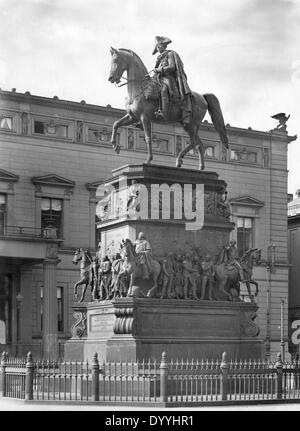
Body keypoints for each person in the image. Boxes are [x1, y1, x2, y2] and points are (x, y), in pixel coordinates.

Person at [152, 35, 192, 125]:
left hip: (168, 78)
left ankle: (163, 113)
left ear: (163, 46)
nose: (158, 49)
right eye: (157, 47)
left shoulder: (169, 54)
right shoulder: (159, 57)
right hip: (158, 78)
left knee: (163, 89)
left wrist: (160, 70)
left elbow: (172, 67)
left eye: (159, 47)